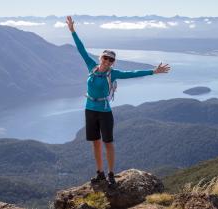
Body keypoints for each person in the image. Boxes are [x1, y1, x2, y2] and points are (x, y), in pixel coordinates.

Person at [66, 16, 170, 187]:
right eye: (105, 58)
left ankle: (111, 174)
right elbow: (81, 49)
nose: (107, 61)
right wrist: (72, 31)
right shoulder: (91, 66)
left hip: (105, 111)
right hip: (90, 109)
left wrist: (153, 72)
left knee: (108, 143)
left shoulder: (113, 73)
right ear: (100, 58)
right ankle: (100, 173)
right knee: (95, 142)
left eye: (111, 59)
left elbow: (133, 73)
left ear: (113, 62)